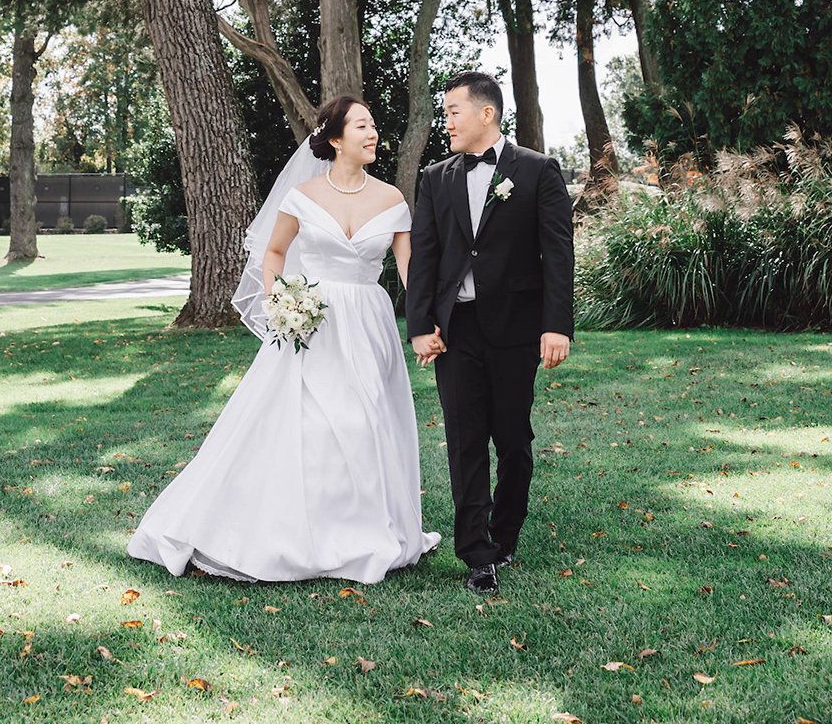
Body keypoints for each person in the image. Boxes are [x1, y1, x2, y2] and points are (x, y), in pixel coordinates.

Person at [126, 95, 441, 582]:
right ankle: (291, 533)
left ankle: (360, 534)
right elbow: (273, 254)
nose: (373, 132)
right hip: (312, 323)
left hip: (368, 323)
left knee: (364, 421)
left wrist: (425, 322)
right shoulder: (303, 197)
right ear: (336, 139)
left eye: (373, 124)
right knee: (309, 423)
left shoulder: (392, 200)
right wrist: (280, 302)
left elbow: (409, 269)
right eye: (362, 125)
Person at [406, 70, 574, 595]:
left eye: (453, 111)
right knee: (465, 441)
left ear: (487, 113)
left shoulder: (538, 170)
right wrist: (419, 326)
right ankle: (476, 553)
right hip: (457, 331)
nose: (447, 122)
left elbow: (558, 254)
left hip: (515, 329)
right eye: (445, 113)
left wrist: (556, 325)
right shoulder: (435, 178)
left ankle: (505, 535)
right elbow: (424, 255)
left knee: (513, 440)